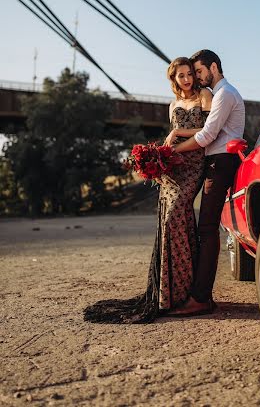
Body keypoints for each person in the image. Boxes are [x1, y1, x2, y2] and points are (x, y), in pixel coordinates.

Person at [83, 57, 212, 323]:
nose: (187, 79)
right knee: (168, 221)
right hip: (173, 168)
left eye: (189, 74)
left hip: (193, 165)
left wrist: (177, 131)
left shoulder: (205, 96)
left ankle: (189, 290)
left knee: (177, 214)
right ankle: (171, 293)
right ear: (173, 79)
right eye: (181, 76)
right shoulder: (172, 104)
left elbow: (211, 130)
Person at [167, 49, 245, 317]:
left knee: (207, 229)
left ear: (213, 67)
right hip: (216, 162)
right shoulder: (224, 93)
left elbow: (207, 135)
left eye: (198, 71)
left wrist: (172, 151)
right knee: (203, 228)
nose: (197, 77)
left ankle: (201, 298)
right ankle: (194, 293)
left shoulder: (224, 94)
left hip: (221, 162)